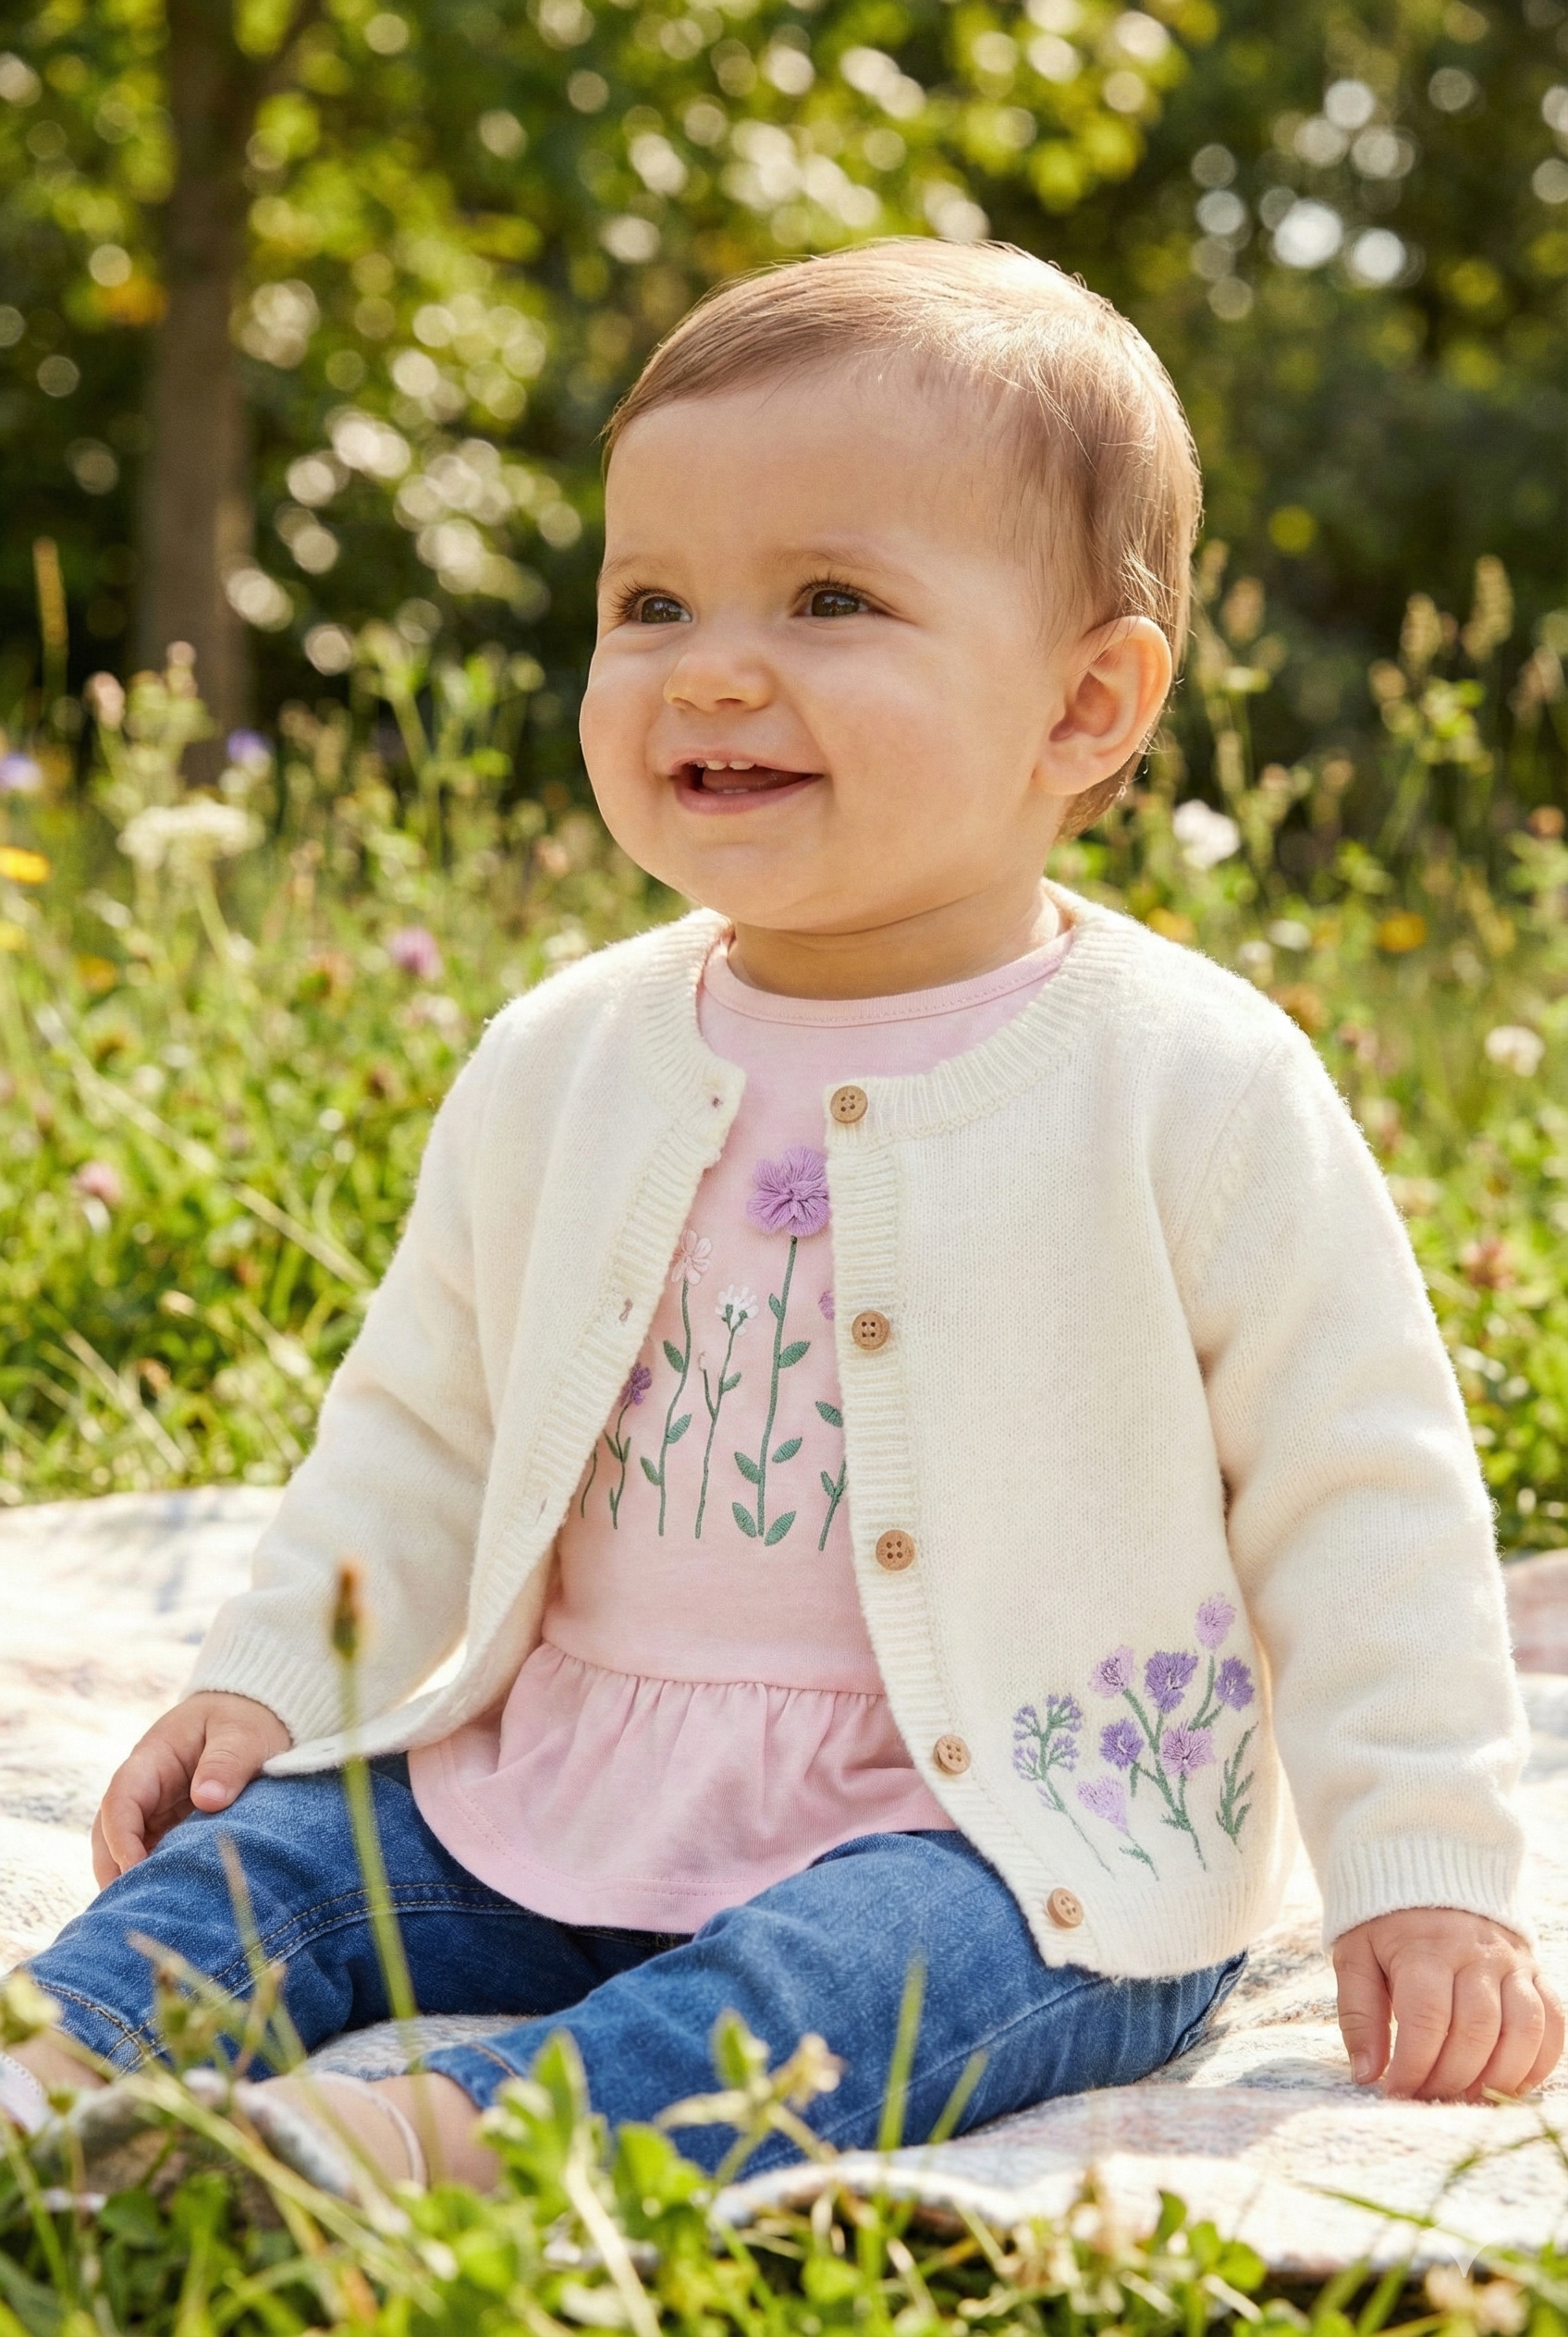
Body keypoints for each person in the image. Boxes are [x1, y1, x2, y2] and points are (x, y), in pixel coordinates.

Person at [3, 241, 1560, 2195]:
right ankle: (64, 2073)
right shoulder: (567, 1052)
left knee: (859, 1971)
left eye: (829, 597)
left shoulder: (1186, 1078)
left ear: (1086, 704)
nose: (710, 664)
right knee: (282, 1863)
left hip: (1011, 1829)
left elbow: (1362, 1493)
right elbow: (419, 1419)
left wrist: (1421, 1869)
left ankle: (443, 2142)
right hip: (559, 1772)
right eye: (648, 599)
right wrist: (267, 1681)